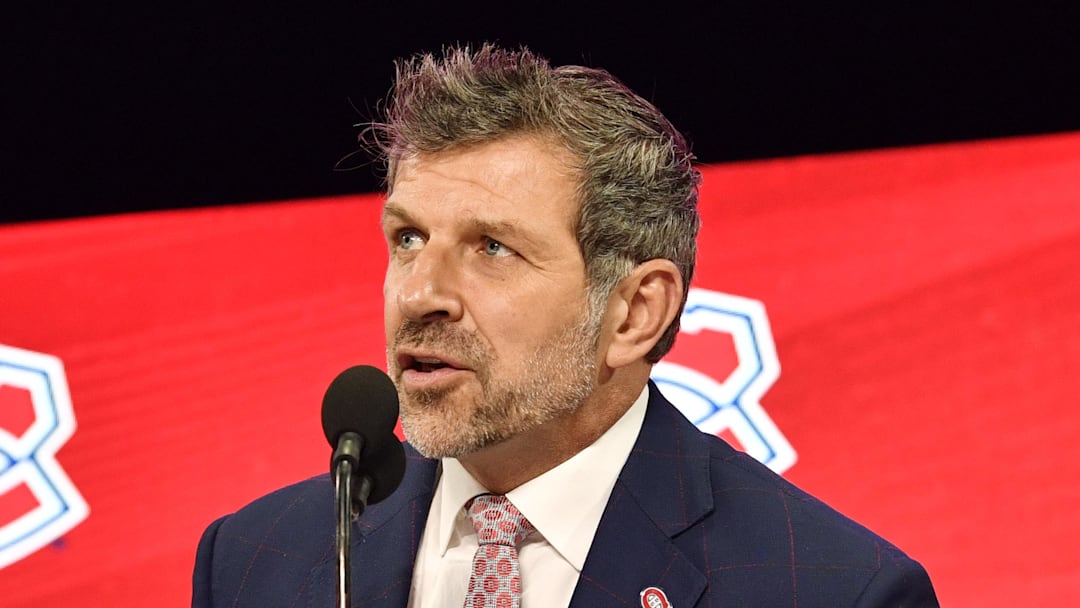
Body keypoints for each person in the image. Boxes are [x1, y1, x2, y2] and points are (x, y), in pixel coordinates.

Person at [192, 43, 939, 607]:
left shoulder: (832, 590)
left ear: (634, 312)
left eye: (492, 248)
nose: (421, 293)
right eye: (408, 238)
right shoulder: (257, 562)